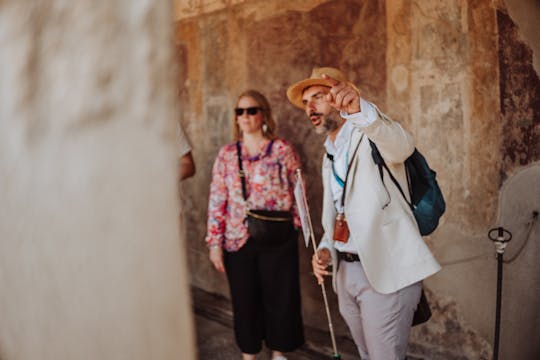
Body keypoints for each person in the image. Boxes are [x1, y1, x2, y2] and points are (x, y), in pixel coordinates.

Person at [286, 67, 441, 360]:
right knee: (365, 354)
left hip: (385, 271)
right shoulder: (329, 151)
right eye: (306, 102)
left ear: (339, 97)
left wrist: (361, 110)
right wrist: (324, 249)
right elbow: (337, 211)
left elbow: (401, 146)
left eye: (318, 96)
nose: (310, 107)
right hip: (345, 271)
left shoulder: (369, 133)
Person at [205, 90, 304, 360]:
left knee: (280, 298)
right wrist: (214, 243)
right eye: (240, 111)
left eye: (251, 110)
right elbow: (217, 199)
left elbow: (299, 192)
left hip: (277, 237)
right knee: (244, 299)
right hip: (238, 237)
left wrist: (297, 228)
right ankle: (249, 354)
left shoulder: (282, 150)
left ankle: (278, 353)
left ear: (263, 114)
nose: (245, 116)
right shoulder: (227, 155)